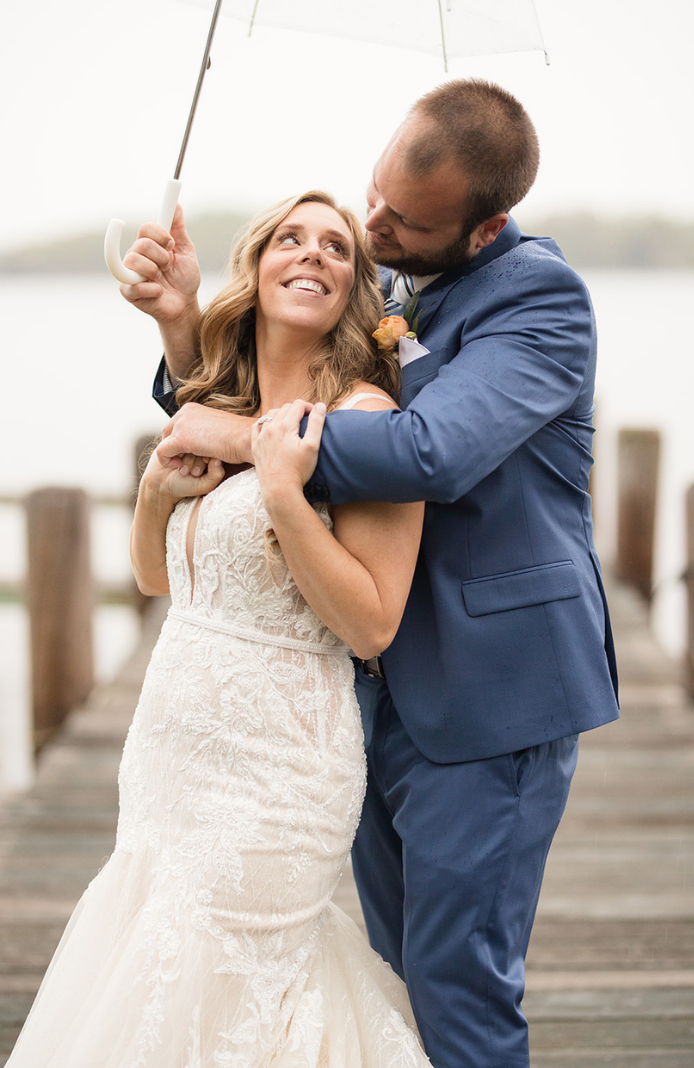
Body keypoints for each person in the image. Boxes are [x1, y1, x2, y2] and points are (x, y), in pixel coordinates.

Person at [119, 80, 619, 1068]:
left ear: (486, 229)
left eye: (405, 218)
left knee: (459, 981)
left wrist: (247, 436)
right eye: (375, 195)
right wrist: (181, 329)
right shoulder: (393, 276)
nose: (373, 223)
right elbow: (283, 380)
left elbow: (429, 451)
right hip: (352, 694)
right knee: (389, 977)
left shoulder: (539, 300)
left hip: (488, 695)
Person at [9, 191, 432, 1065]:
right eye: (291, 238)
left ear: (356, 292)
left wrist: (284, 492)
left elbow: (374, 623)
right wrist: (157, 493)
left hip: (279, 767)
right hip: (168, 760)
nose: (313, 254)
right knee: (157, 971)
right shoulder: (216, 401)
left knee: (240, 979)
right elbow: (163, 579)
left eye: (338, 249)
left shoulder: (366, 423)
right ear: (259, 264)